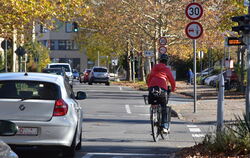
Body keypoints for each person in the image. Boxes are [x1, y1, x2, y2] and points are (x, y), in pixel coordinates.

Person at [147, 54, 176, 133]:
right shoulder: (166, 69)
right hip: (162, 88)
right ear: (166, 62)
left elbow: (149, 77)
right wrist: (173, 89)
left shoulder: (154, 68)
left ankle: (154, 116)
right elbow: (172, 80)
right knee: (164, 107)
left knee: (153, 101)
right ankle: (164, 126)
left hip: (152, 87)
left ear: (159, 60)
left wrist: (149, 87)